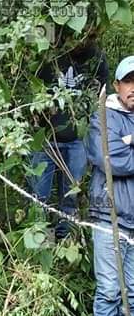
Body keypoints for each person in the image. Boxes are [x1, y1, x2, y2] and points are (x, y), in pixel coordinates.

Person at [29, 27, 108, 241]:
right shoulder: (51, 55)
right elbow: (34, 90)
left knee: (70, 198)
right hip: (45, 139)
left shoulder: (97, 60)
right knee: (38, 197)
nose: (79, 41)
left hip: (77, 142)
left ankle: (64, 243)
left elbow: (100, 99)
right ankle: (40, 245)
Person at [85, 55, 134, 316]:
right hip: (108, 217)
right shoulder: (102, 116)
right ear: (117, 85)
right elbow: (110, 159)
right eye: (129, 81)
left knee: (133, 289)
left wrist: (128, 141)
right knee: (109, 289)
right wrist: (123, 144)